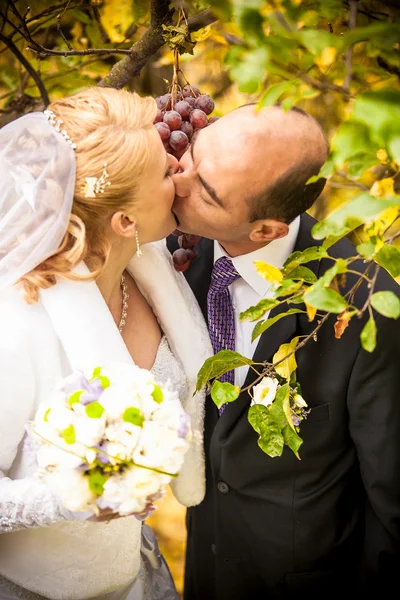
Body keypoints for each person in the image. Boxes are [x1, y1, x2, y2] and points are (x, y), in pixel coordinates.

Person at [167, 104, 400, 599]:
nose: (177, 180)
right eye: (193, 155)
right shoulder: (175, 257)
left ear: (266, 230)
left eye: (206, 193)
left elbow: (393, 500)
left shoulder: (362, 309)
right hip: (203, 572)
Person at [0, 87, 213, 600]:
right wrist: (72, 497)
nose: (179, 169)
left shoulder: (154, 269)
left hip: (135, 572)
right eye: (164, 174)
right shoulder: (16, 324)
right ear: (124, 222)